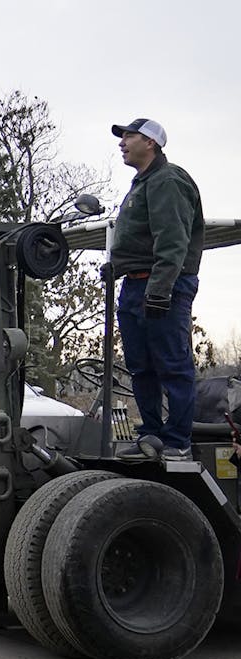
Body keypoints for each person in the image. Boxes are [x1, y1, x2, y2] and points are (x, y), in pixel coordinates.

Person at [108, 118, 203, 461]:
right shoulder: (141, 184)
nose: (122, 142)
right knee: (141, 366)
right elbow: (139, 240)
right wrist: (115, 267)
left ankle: (177, 441)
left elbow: (173, 240)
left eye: (129, 136)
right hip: (135, 284)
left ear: (151, 143)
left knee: (173, 364)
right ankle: (151, 437)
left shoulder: (168, 180)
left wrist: (161, 289)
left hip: (163, 284)